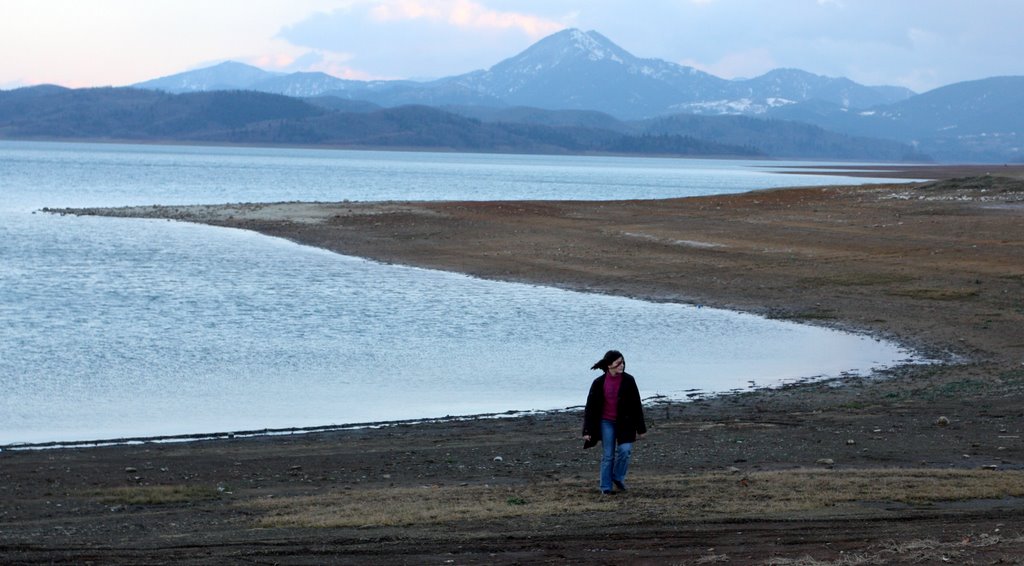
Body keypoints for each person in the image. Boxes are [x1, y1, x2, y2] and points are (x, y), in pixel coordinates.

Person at [582, 349, 647, 494]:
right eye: (618, 363)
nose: (622, 365)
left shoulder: (629, 380)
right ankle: (606, 488)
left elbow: (636, 404)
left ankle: (617, 477)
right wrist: (587, 430)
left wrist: (641, 428)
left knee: (625, 450)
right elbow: (590, 408)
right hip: (606, 422)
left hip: (625, 423)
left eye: (623, 362)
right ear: (609, 365)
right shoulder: (598, 383)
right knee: (608, 455)